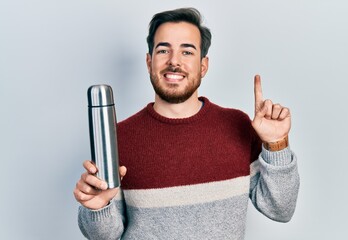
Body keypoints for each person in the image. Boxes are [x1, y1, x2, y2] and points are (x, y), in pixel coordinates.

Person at [73, 7, 300, 240]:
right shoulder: (118, 138)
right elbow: (104, 236)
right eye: (163, 50)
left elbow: (280, 209)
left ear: (203, 66)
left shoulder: (237, 125)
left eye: (187, 52)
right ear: (149, 61)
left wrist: (277, 145)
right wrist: (96, 207)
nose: (174, 61)